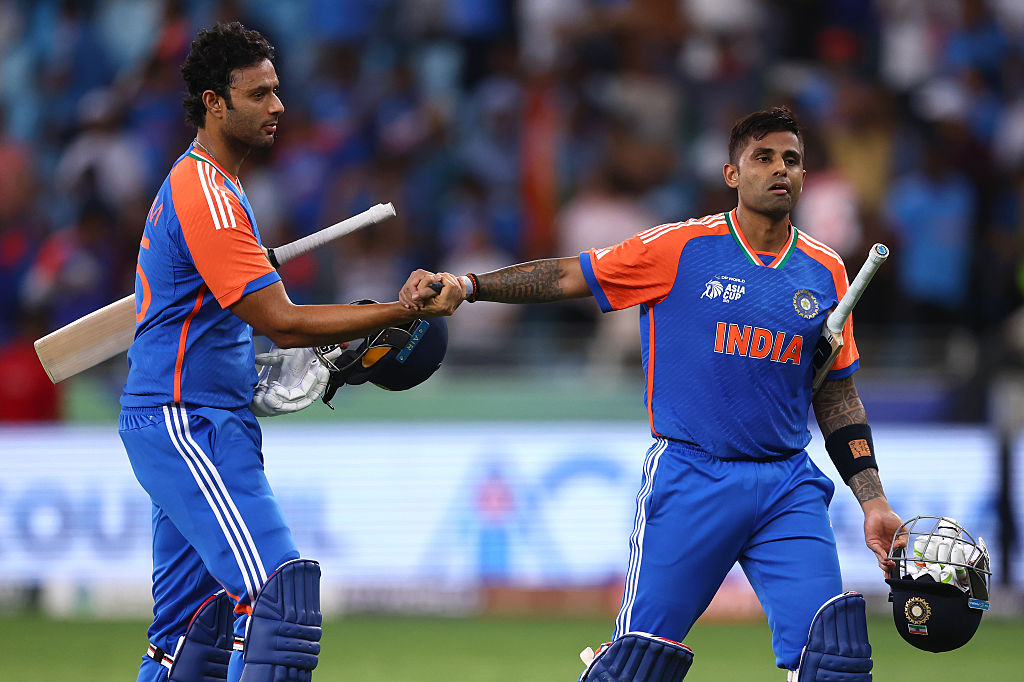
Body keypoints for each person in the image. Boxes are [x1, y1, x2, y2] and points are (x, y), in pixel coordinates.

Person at [405, 107, 903, 681]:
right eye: (763, 157)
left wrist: (873, 501)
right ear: (732, 174)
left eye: (791, 159)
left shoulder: (826, 269)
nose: (779, 169)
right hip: (692, 478)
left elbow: (837, 397)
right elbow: (568, 275)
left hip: (788, 485)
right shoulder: (679, 248)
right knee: (636, 670)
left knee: (835, 661)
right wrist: (468, 285)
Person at [119, 22, 461, 682]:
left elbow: (227, 327)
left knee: (193, 632)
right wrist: (400, 313)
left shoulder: (214, 186)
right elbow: (282, 322)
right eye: (258, 94)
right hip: (188, 422)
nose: (278, 106)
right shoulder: (208, 197)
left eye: (276, 90)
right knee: (281, 598)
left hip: (197, 415)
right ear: (214, 103)